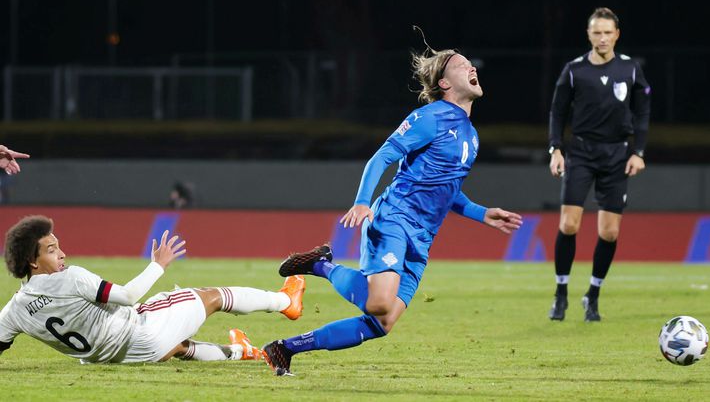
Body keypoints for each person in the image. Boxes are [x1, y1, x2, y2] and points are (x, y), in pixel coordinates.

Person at [261, 36, 523, 375]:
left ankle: (284, 348)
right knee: (379, 302)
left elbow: (448, 190)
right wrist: (362, 202)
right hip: (394, 219)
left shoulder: (471, 135)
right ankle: (320, 266)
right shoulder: (430, 117)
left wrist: (481, 213)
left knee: (383, 323)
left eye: (470, 63)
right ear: (444, 83)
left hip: (423, 238)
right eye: (461, 65)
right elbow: (382, 156)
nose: (471, 67)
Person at [0, 215, 306, 363]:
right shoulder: (70, 277)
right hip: (139, 336)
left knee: (173, 336)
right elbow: (128, 296)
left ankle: (243, 352)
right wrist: (158, 264)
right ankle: (284, 301)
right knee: (210, 297)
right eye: (52, 250)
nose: (62, 254)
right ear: (33, 261)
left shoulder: (13, 311)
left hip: (108, 358)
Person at [547, 7, 651, 322]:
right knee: (569, 225)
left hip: (617, 156)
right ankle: (561, 292)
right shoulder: (574, 70)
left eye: (608, 32)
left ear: (616, 35)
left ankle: (592, 295)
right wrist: (556, 149)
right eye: (597, 32)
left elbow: (642, 111)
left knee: (609, 232)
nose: (602, 38)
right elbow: (557, 112)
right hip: (580, 152)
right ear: (589, 34)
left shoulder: (631, 69)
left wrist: (639, 152)